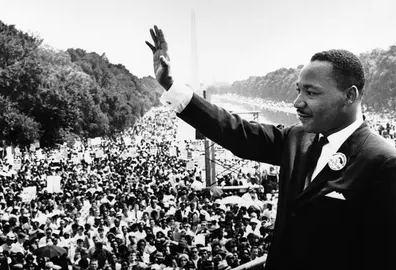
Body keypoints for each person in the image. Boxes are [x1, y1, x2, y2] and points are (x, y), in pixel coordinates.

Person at [145, 25, 396, 270]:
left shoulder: (384, 162)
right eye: (299, 91)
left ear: (349, 96)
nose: (297, 102)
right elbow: (235, 132)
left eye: (311, 93)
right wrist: (171, 85)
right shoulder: (297, 138)